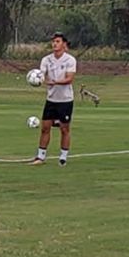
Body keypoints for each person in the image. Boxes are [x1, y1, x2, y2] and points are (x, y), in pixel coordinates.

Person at [31, 32, 76, 167]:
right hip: (51, 99)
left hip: (65, 100)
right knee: (45, 128)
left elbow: (69, 78)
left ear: (64, 45)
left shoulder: (70, 60)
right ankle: (40, 156)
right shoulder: (46, 60)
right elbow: (41, 75)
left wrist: (55, 82)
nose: (54, 44)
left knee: (64, 129)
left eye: (57, 41)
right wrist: (38, 79)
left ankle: (63, 157)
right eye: (53, 42)